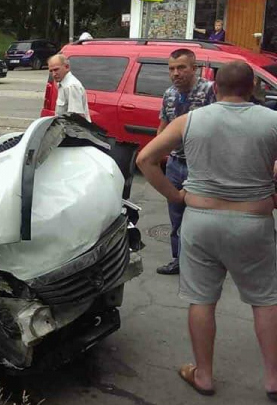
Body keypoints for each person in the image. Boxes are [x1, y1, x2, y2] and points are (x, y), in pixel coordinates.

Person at [136, 60, 277, 401]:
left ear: (215, 89)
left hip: (201, 221)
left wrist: (176, 195)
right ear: (254, 90)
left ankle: (204, 375)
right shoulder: (272, 121)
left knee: (202, 300)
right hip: (254, 223)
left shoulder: (191, 121)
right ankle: (274, 380)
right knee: (266, 301)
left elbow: (145, 159)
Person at [155, 48, 216, 275]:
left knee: (202, 217)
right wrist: (156, 154)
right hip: (175, 164)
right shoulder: (169, 94)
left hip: (202, 166)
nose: (176, 73)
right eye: (171, 68)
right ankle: (178, 260)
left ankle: (204, 263)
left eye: (181, 67)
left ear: (194, 68)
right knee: (176, 215)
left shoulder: (210, 91)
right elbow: (162, 127)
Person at [47, 54, 91, 122]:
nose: (53, 74)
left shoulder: (71, 86)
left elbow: (76, 118)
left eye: (56, 70)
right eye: (51, 71)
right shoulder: (62, 84)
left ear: (67, 67)